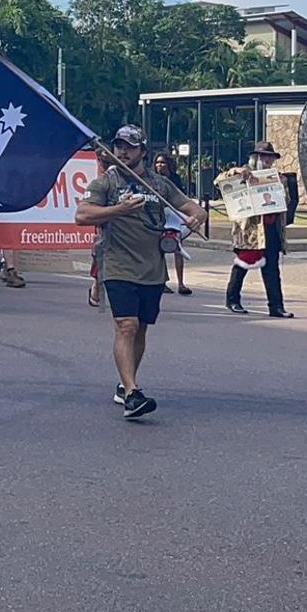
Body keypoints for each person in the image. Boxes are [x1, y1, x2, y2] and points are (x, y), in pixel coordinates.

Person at [74, 125, 207, 419]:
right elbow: (82, 215)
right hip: (117, 264)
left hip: (152, 268)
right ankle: (133, 393)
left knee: (141, 328)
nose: (123, 151)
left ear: (142, 151)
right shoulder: (105, 183)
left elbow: (190, 207)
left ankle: (125, 382)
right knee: (127, 325)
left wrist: (197, 216)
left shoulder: (159, 185)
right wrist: (117, 210)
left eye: (130, 147)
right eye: (119, 145)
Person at [220, 142, 293, 318]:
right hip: (250, 232)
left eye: (270, 157)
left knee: (272, 270)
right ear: (256, 158)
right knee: (242, 266)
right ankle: (232, 300)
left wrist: (281, 187)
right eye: (263, 156)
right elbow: (221, 181)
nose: (267, 160)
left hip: (271, 230)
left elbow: (287, 201)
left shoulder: (278, 177)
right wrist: (235, 172)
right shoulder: (244, 173)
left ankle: (276, 306)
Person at [151, 154, 192, 295]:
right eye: (157, 163)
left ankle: (181, 283)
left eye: (162, 163)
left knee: (177, 247)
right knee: (159, 250)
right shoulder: (151, 179)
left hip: (173, 215)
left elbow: (180, 198)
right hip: (158, 216)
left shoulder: (174, 180)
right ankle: (161, 281)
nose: (160, 166)